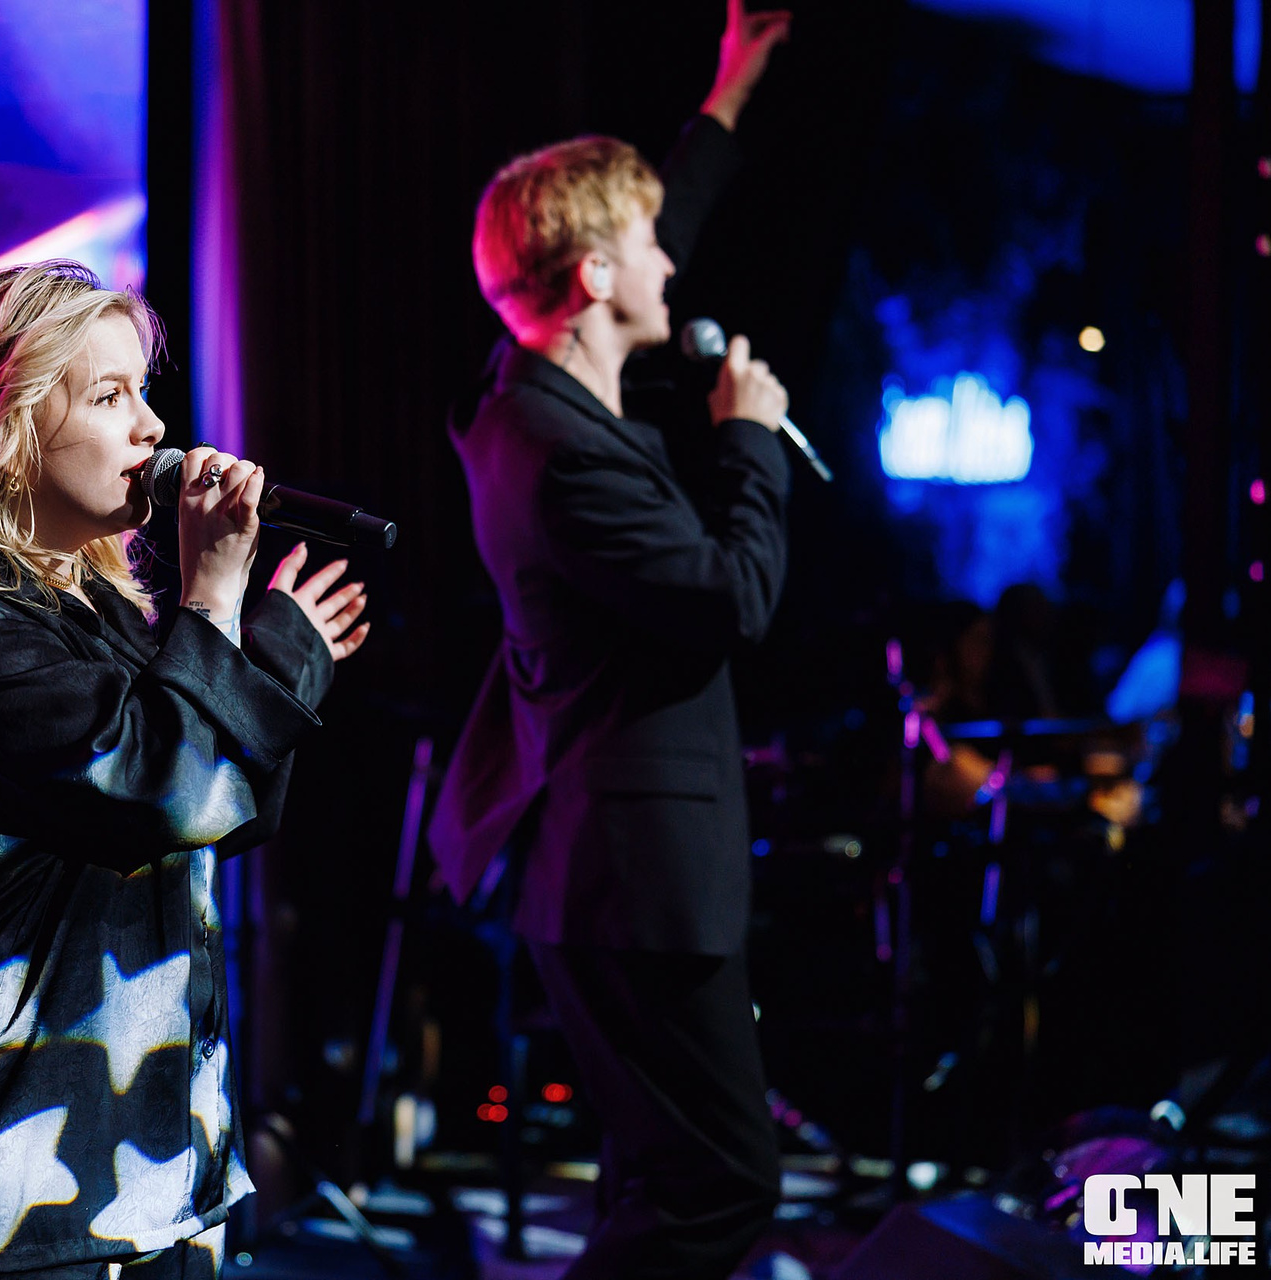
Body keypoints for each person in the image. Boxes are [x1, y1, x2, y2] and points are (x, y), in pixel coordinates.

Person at [0, 261, 368, 1279]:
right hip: (17, 1180)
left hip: (154, 1169)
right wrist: (219, 608)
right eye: (109, 395)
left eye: (144, 391)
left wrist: (266, 650)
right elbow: (162, 793)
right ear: (7, 430)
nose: (153, 428)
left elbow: (226, 804)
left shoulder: (105, 617)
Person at [426, 5, 796, 1276]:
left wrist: (729, 91)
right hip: (636, 882)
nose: (668, 264)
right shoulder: (559, 456)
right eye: (642, 245)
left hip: (615, 876)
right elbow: (731, 598)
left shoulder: (529, 400)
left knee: (661, 1185)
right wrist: (749, 441)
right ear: (590, 276)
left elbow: (654, 225)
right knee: (721, 1187)